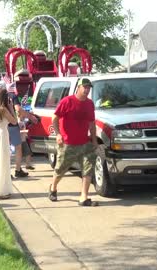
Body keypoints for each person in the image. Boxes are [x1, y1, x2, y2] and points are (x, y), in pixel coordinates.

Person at [48, 78, 99, 207]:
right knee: (60, 169)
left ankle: (84, 197)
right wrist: (58, 134)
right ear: (79, 87)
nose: (87, 90)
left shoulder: (89, 104)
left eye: (89, 88)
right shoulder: (67, 101)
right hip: (68, 143)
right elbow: (54, 117)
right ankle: (53, 187)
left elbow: (92, 123)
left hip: (84, 144)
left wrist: (94, 140)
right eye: (85, 87)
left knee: (88, 169)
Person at [2, 80, 38, 178]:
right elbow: (18, 109)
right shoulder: (12, 96)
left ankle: (6, 172)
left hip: (2, 126)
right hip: (12, 125)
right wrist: (30, 116)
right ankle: (18, 170)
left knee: (5, 149)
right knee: (18, 148)